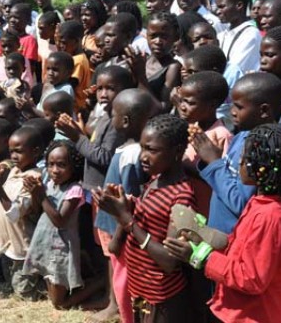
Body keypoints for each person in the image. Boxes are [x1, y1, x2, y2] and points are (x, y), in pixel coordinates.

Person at [165, 124, 281, 323]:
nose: (239, 162)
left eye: (244, 158)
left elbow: (251, 277)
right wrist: (200, 234)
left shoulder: (270, 217)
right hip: (235, 311)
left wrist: (199, 257)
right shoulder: (260, 204)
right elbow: (241, 248)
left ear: (263, 169)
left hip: (251, 316)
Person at [93, 114, 198, 323]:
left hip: (162, 297)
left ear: (177, 151)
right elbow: (115, 247)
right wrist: (122, 211)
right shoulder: (154, 181)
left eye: (152, 150)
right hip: (140, 288)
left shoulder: (182, 197)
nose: (143, 156)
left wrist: (127, 220)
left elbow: (169, 261)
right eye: (142, 148)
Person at [191, 72, 281, 234]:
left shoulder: (262, 148)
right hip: (219, 233)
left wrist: (214, 162)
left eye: (239, 107)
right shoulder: (242, 135)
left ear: (264, 110)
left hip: (234, 238)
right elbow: (227, 179)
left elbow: (240, 203)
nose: (232, 112)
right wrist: (212, 157)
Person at [92, 89, 156, 323]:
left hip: (118, 227)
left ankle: (122, 311)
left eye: (114, 114)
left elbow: (129, 199)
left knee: (122, 273)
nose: (112, 118)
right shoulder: (128, 149)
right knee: (114, 266)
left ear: (125, 121)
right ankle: (114, 305)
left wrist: (120, 232)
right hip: (112, 223)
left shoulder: (132, 154)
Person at [23, 140, 104, 309]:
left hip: (61, 248)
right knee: (50, 280)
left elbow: (60, 221)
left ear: (74, 166)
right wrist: (34, 193)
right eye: (50, 164)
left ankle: (101, 283)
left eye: (61, 165)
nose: (54, 170)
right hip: (45, 243)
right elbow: (37, 211)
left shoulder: (75, 190)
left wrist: (42, 196)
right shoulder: (50, 184)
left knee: (59, 303)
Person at [0, 126, 43, 298]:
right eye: (11, 151)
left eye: (19, 151)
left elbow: (15, 213)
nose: (13, 156)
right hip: (6, 243)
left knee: (24, 293)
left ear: (35, 151)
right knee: (2, 277)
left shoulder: (34, 178)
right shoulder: (15, 170)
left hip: (22, 246)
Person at [179, 72, 232, 218]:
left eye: (190, 103)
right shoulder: (191, 127)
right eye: (182, 101)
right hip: (186, 203)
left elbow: (224, 178)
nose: (183, 107)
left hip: (205, 207)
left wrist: (187, 165)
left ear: (212, 105)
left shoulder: (221, 135)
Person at [127, 11, 181, 113]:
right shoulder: (142, 60)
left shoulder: (173, 68)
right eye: (153, 36)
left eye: (164, 37)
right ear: (146, 35)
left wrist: (141, 76)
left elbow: (162, 108)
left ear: (176, 37)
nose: (158, 42)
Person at [216, 0, 262, 73]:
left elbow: (234, 70)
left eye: (222, 7)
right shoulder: (223, 34)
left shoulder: (250, 35)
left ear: (239, 6)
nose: (218, 11)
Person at [56, 20, 91, 114]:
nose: (60, 46)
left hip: (75, 109)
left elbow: (71, 83)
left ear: (76, 41)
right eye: (59, 42)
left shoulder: (78, 61)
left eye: (64, 43)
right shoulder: (74, 58)